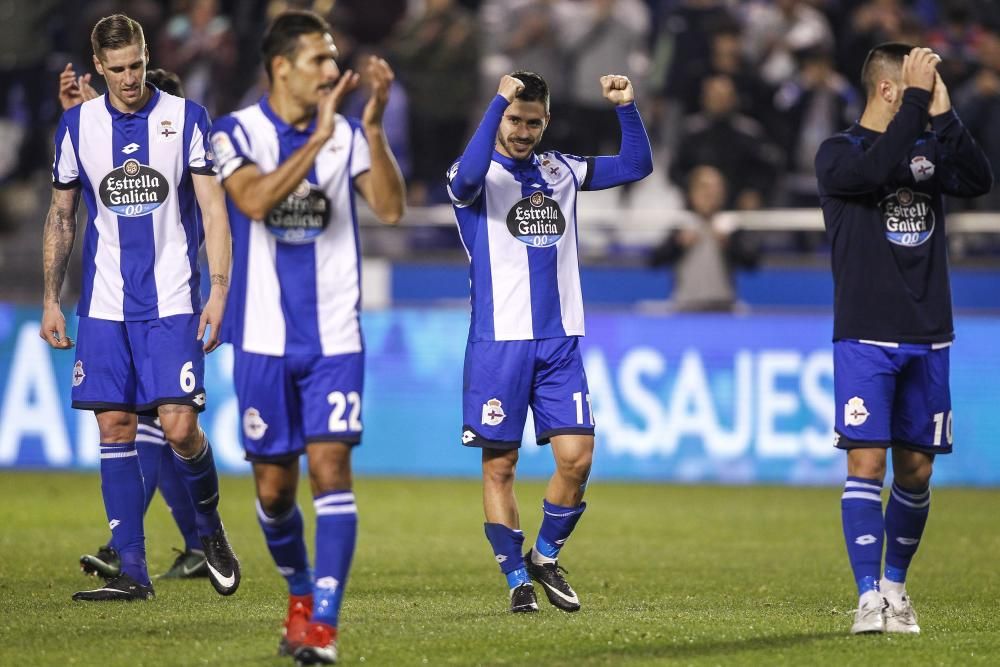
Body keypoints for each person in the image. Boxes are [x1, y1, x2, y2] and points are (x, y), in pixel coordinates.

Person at [210, 10, 405, 664]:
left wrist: (370, 130)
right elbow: (256, 202)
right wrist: (316, 139)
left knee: (331, 468)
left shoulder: (347, 133)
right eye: (320, 60)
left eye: (333, 58)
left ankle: (323, 624)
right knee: (273, 490)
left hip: (334, 338)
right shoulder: (235, 133)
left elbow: (391, 207)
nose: (332, 69)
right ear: (282, 68)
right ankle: (298, 591)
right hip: (262, 339)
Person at [41, 14, 239, 601]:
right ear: (98, 68)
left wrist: (220, 291)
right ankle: (133, 573)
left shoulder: (187, 118)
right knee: (116, 424)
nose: (131, 79)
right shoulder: (77, 126)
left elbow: (213, 211)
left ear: (147, 57)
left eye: (138, 65)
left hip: (173, 300)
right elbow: (61, 215)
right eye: (118, 69)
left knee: (180, 428)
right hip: (103, 304)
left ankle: (209, 531)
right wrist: (51, 299)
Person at [446, 71, 652, 613]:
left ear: (547, 121)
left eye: (532, 122)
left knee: (577, 459)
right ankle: (515, 578)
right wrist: (495, 100)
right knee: (501, 467)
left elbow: (636, 166)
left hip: (559, 341)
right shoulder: (473, 173)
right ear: (499, 117)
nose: (522, 131)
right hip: (499, 342)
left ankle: (543, 555)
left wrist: (626, 107)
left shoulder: (561, 169)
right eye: (514, 119)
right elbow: (467, 181)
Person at [815, 43, 992, 635]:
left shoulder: (925, 145)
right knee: (866, 462)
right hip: (865, 335)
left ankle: (895, 588)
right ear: (889, 90)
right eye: (917, 85)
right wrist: (917, 103)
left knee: (915, 471)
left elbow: (976, 178)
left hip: (929, 334)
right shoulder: (838, 154)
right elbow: (872, 172)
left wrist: (942, 116)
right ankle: (866, 597)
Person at [58, 64, 209, 581]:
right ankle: (157, 549)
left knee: (172, 428)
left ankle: (191, 539)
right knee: (144, 428)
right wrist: (84, 116)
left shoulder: (189, 138)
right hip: (114, 307)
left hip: (172, 304)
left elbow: (199, 214)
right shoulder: (96, 126)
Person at [649, 165, 757, 312]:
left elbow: (751, 262)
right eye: (704, 188)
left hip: (724, 305)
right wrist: (678, 243)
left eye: (716, 189)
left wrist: (729, 243)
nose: (711, 194)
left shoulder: (729, 224)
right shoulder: (682, 224)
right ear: (692, 192)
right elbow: (655, 261)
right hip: (686, 305)